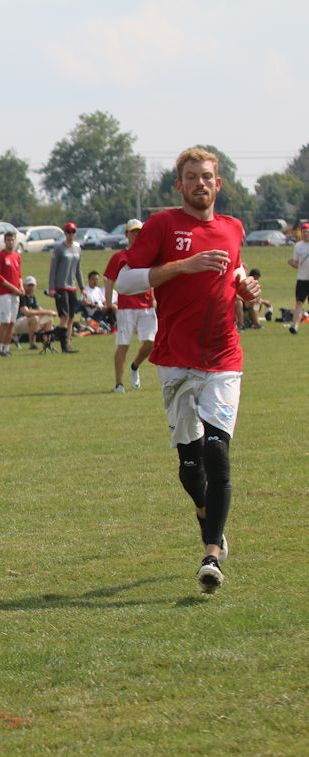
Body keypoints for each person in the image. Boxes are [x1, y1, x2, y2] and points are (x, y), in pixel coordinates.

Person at [112, 146, 261, 594]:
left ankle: (211, 554)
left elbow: (234, 270)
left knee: (217, 452)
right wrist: (183, 266)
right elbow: (125, 280)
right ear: (179, 185)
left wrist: (246, 288)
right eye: (192, 176)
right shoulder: (162, 226)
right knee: (190, 466)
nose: (200, 183)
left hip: (223, 358)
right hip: (176, 359)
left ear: (219, 183)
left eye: (207, 176)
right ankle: (205, 512)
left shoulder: (232, 227)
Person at [103, 219, 155, 393]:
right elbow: (109, 281)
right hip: (126, 307)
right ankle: (119, 384)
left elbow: (155, 277)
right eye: (133, 232)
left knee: (151, 343)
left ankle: (135, 366)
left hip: (146, 305)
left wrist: (156, 299)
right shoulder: (119, 257)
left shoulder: (149, 255)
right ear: (126, 234)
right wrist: (108, 305)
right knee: (123, 344)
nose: (137, 235)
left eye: (139, 231)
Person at [48, 222, 84, 353]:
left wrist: (82, 286)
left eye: (73, 232)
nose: (70, 234)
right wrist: (51, 288)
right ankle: (64, 346)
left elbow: (78, 269)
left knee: (71, 317)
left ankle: (65, 341)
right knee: (64, 316)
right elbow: (53, 270)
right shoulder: (59, 249)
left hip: (72, 287)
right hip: (61, 286)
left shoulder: (78, 248)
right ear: (65, 233)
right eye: (68, 231)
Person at [0, 231, 25, 356]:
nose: (10, 242)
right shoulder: (0, 256)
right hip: (4, 294)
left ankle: (6, 348)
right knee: (4, 322)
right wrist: (13, 288)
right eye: (8, 240)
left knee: (12, 323)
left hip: (15, 294)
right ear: (4, 241)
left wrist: (21, 287)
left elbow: (19, 274)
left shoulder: (17, 256)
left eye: (12, 240)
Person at [14, 276, 56, 348]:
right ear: (24, 286)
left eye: (32, 286)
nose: (31, 288)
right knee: (35, 318)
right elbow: (26, 312)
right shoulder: (21, 296)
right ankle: (32, 344)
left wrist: (49, 313)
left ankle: (47, 343)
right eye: (29, 286)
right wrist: (47, 312)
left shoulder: (32, 297)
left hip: (27, 322)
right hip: (16, 323)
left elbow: (39, 310)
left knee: (48, 318)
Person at [288, 222, 309, 334]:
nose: (306, 234)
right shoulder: (298, 246)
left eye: (307, 232)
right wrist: (292, 263)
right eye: (304, 232)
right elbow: (296, 263)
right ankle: (295, 326)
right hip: (302, 279)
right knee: (299, 303)